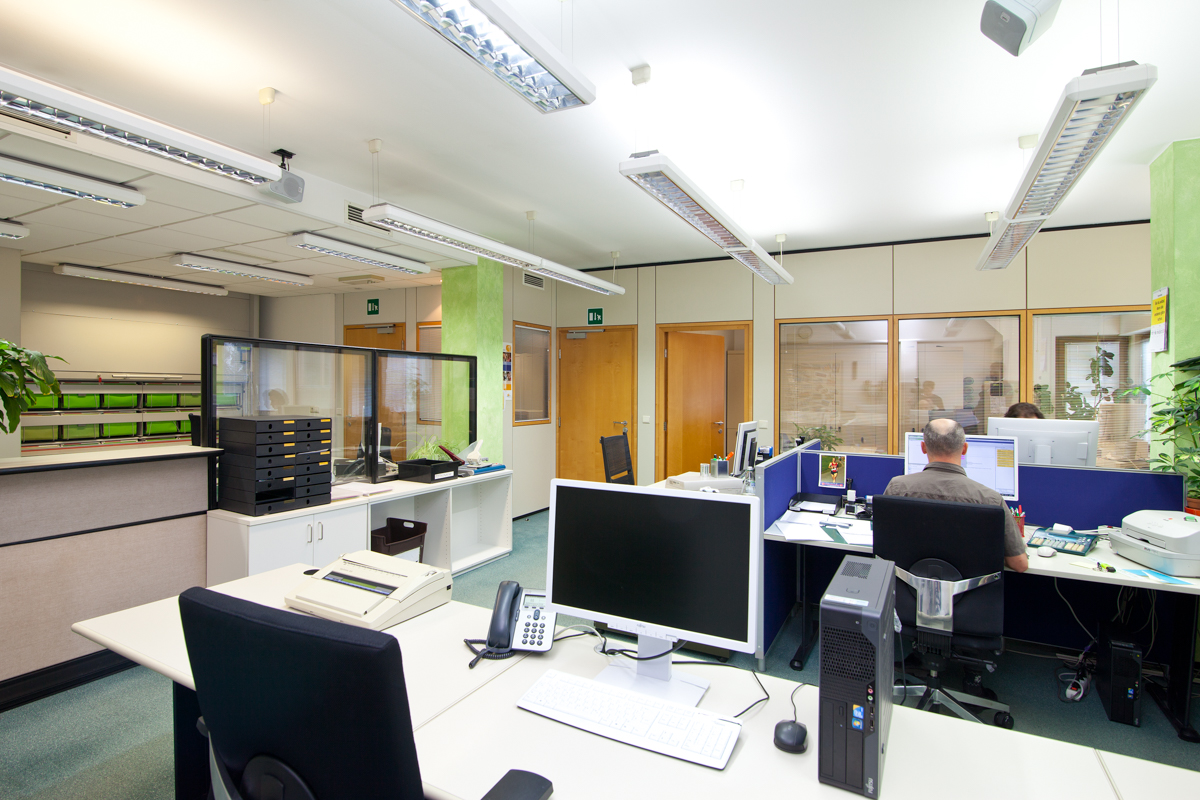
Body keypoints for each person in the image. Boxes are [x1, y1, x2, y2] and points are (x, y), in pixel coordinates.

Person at [884, 418, 1028, 573]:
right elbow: (1019, 564)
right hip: (970, 588)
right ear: (964, 448)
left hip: (908, 585)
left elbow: (884, 546)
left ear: (923, 447)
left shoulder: (897, 488)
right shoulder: (990, 499)